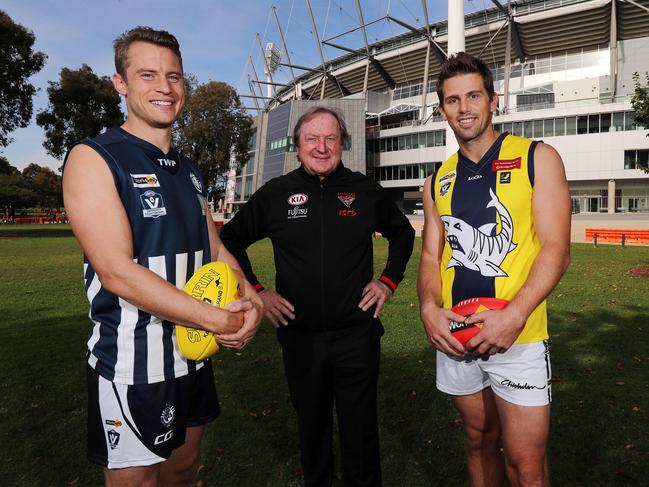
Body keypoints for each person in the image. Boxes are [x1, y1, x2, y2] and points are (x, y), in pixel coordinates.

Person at [62, 26, 262, 486]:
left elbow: (213, 247)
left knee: (184, 470)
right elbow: (116, 272)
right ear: (121, 82)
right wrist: (217, 320)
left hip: (194, 356)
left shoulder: (189, 170)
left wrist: (251, 300)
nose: (164, 88)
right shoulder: (95, 157)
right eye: (147, 74)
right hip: (134, 365)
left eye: (174, 76)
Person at [220, 106, 415, 487]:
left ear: (342, 143)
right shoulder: (276, 194)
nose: (322, 147)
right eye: (312, 139)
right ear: (297, 147)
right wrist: (259, 292)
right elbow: (230, 239)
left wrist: (387, 282)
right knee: (312, 430)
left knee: (360, 432)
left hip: (357, 336)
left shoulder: (363, 190)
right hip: (300, 338)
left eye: (331, 139)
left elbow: (402, 234)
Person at [418, 52, 571, 487]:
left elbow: (557, 250)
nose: (463, 108)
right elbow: (432, 257)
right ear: (442, 109)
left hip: (517, 336)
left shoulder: (537, 157)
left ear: (493, 100)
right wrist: (429, 308)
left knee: (525, 463)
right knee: (478, 439)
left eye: (473, 96)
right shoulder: (437, 182)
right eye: (452, 100)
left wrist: (514, 314)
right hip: (456, 335)